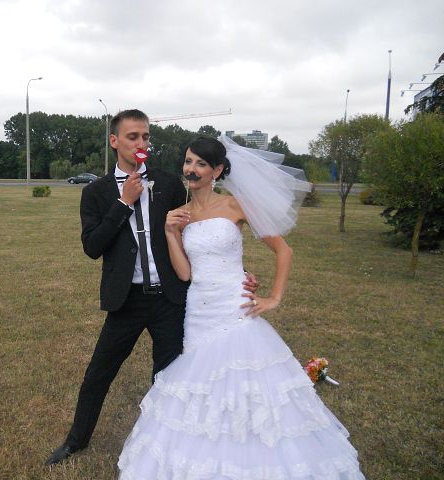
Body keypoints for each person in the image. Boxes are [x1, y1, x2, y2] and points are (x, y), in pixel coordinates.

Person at [118, 136, 366, 479]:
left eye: (201, 164)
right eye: (188, 162)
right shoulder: (182, 214)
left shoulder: (236, 205)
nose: (192, 169)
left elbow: (284, 251)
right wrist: (171, 233)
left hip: (235, 308)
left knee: (247, 384)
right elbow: (186, 273)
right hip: (199, 311)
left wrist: (273, 297)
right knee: (202, 386)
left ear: (218, 170)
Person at [45, 111, 258, 466]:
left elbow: (199, 234)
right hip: (126, 300)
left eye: (145, 136)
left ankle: (168, 441)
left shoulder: (169, 184)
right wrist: (123, 203)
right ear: (115, 141)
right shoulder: (96, 192)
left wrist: (238, 271)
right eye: (133, 137)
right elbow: (92, 247)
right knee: (98, 374)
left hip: (170, 298)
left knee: (169, 374)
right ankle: (75, 441)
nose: (141, 143)